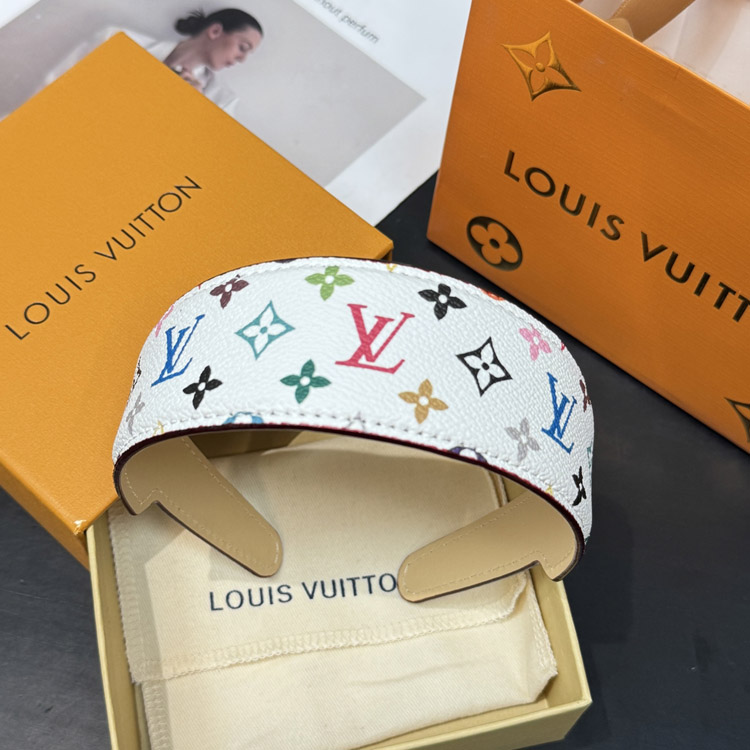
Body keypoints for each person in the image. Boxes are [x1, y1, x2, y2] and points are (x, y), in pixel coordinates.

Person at [41, 8, 263, 116]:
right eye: (242, 48)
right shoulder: (116, 39)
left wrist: (194, 108)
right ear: (215, 31)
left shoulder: (221, 102)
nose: (242, 59)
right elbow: (55, 85)